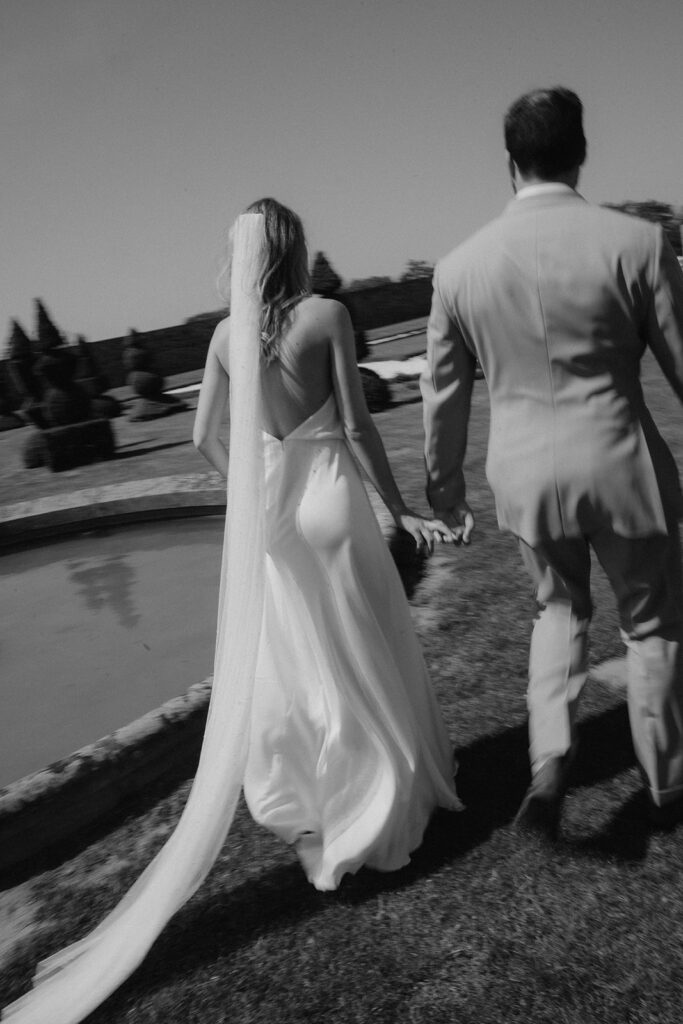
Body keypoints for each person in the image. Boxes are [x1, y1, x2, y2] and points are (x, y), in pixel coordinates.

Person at [3, 200, 460, 1023]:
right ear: (295, 248)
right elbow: (357, 425)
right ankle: (387, 804)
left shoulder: (224, 337)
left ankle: (324, 812)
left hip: (276, 514)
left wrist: (251, 483)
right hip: (330, 501)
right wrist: (400, 509)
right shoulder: (327, 315)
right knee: (367, 647)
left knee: (305, 662)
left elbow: (202, 437)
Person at [420, 86, 683, 840]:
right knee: (652, 622)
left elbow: (443, 395)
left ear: (510, 163)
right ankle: (667, 783)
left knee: (558, 609)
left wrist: (443, 486)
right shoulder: (636, 243)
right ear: (581, 152)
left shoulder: (458, 269)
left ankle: (549, 760)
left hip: (525, 474)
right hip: (622, 462)